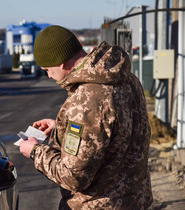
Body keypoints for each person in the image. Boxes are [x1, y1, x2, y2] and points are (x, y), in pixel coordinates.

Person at [19, 25, 153, 209]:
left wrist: (35, 151)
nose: (48, 76)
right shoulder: (127, 78)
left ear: (61, 63)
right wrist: (62, 128)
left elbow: (73, 177)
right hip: (135, 200)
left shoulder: (86, 101)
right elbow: (116, 132)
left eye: (46, 70)